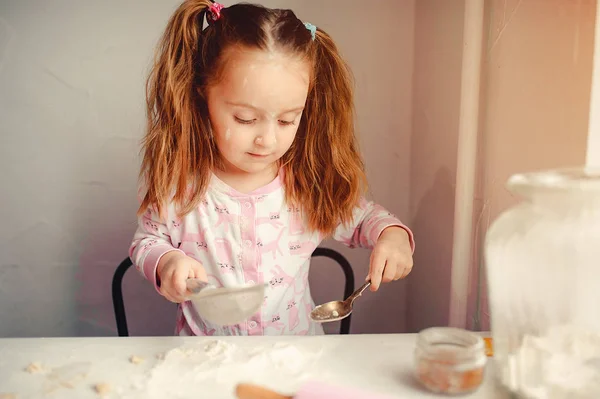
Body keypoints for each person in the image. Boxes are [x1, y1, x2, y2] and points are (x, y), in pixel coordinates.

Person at [129, 0, 415, 336]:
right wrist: (165, 262)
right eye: (246, 119)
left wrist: (392, 237)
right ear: (201, 99)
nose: (266, 139)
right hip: (206, 362)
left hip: (294, 360)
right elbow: (147, 241)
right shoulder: (181, 185)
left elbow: (366, 219)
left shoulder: (307, 185)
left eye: (286, 120)